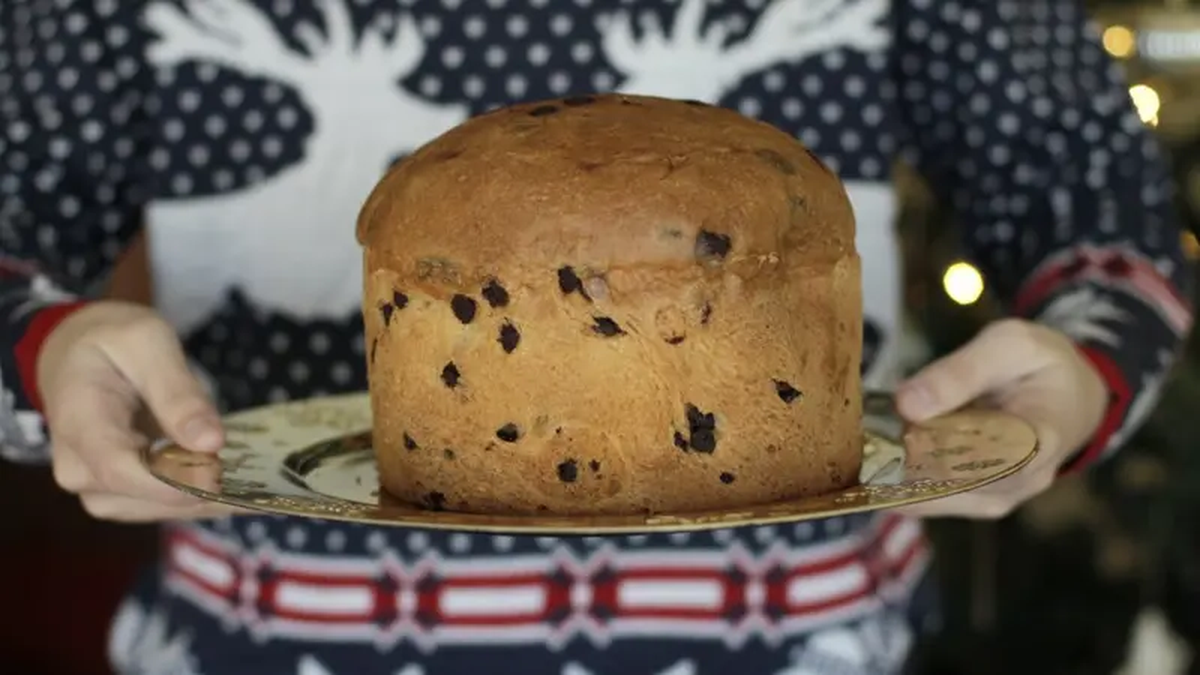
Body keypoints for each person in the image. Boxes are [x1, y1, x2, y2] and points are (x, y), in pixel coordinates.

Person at [0, 0, 1192, 673]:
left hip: (795, 645)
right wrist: (38, 349)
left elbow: (1089, 191)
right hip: (280, 645)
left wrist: (1084, 365)